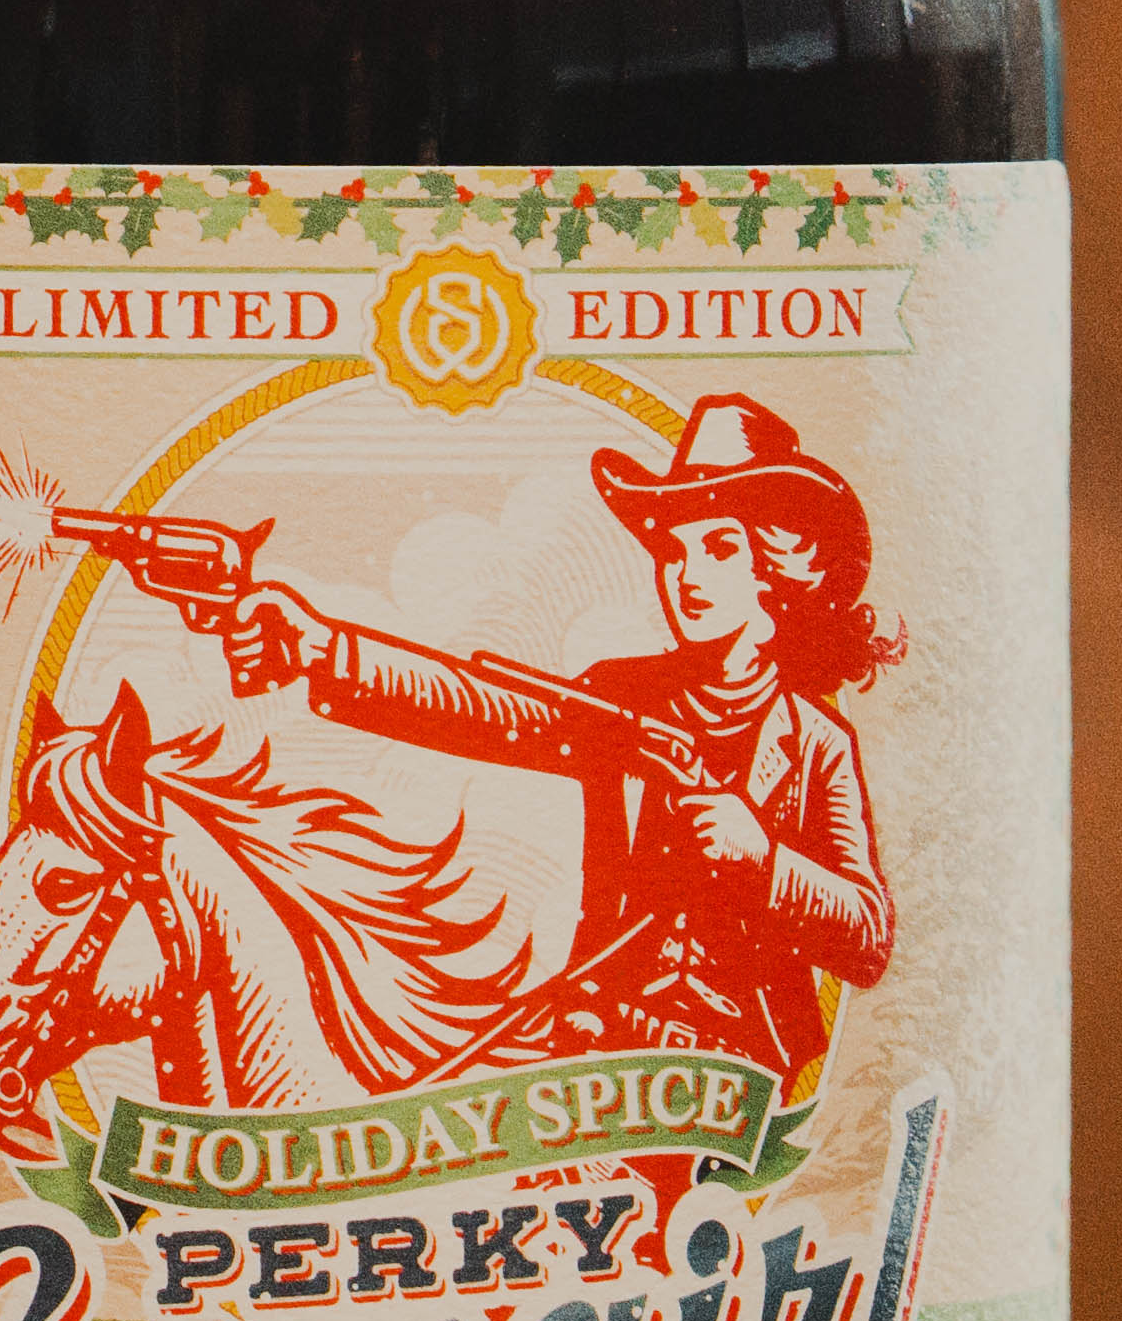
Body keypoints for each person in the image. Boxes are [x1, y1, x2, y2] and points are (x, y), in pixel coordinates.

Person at [122, 395, 898, 1089]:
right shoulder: (624, 695)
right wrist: (322, 645)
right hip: (604, 1055)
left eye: (718, 548)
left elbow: (866, 937)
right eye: (672, 549)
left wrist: (763, 861)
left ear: (777, 564)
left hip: (745, 1077)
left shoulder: (814, 742)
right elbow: (484, 709)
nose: (685, 575)